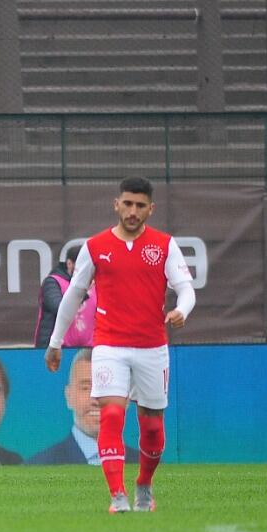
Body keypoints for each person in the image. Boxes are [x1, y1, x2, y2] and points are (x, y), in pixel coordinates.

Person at [45, 176, 196, 513]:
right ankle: (117, 495)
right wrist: (55, 342)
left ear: (150, 209)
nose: (132, 211)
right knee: (112, 413)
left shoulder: (164, 245)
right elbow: (73, 295)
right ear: (117, 205)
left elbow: (186, 288)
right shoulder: (96, 246)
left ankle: (144, 484)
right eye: (127, 203)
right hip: (110, 346)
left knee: (152, 426)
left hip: (152, 347)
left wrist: (182, 310)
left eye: (140, 205)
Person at [28, 347, 141, 465]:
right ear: (69, 396)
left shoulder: (147, 467)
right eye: (86, 388)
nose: (96, 400)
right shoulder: (37, 466)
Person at [34, 244, 96, 349]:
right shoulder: (53, 282)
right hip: (57, 349)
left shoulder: (96, 284)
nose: (86, 271)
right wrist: (81, 293)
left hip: (89, 350)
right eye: (82, 266)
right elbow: (58, 307)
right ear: (69, 264)